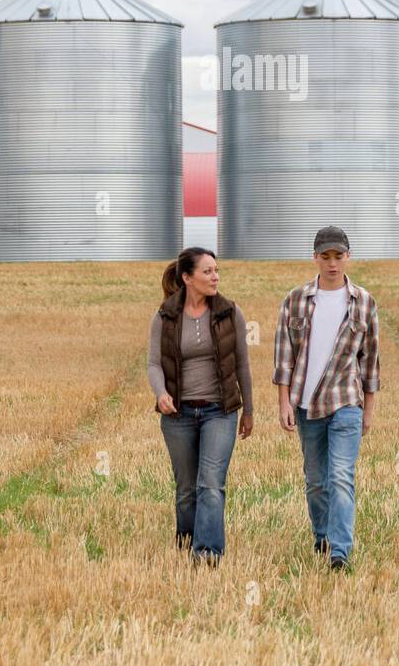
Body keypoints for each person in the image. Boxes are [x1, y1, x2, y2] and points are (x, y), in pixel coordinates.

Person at [273, 225, 379, 570]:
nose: (332, 264)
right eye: (326, 256)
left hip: (346, 401)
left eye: (339, 256)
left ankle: (340, 552)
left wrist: (369, 409)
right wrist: (284, 401)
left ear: (348, 257)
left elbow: (370, 359)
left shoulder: (363, 302)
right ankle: (322, 535)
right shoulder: (296, 300)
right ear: (315, 257)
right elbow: (284, 355)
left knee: (341, 477)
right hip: (306, 404)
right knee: (316, 480)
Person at [148, 247, 254, 565]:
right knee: (186, 489)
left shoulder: (229, 312)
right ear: (187, 278)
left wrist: (248, 410)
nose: (215, 276)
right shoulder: (165, 316)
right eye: (207, 271)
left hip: (219, 411)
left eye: (217, 270)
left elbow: (243, 365)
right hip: (178, 413)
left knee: (210, 483)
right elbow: (154, 364)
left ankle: (207, 553)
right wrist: (160, 393)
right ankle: (186, 542)